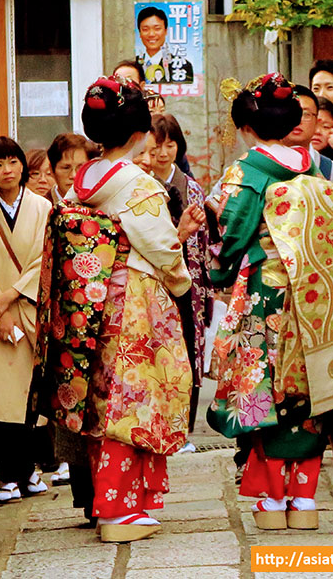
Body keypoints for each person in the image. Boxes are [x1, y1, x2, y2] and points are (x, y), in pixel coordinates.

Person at [209, 73, 333, 530]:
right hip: (318, 297)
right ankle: (304, 498)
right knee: (312, 390)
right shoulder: (311, 167)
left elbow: (235, 232)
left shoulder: (252, 170)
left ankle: (272, 498)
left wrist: (218, 272)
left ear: (247, 128)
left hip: (269, 295)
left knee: (267, 390)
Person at [40, 75, 193, 542]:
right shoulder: (134, 182)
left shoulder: (83, 177)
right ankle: (116, 509)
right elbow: (163, 248)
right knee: (131, 403)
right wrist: (180, 278)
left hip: (90, 304)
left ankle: (124, 502)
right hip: (132, 303)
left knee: (102, 400)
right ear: (137, 133)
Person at [0, 137, 51, 503]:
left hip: (29, 309)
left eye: (12, 162)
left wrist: (12, 294)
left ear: (22, 165)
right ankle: (6, 477)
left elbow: (44, 260)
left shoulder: (44, 208)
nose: (7, 171)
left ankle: (29, 470)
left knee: (31, 396)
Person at [147, 113, 214, 439]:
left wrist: (208, 290)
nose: (162, 153)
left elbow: (203, 243)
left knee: (189, 349)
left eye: (170, 145)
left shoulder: (192, 188)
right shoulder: (141, 184)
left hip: (190, 281)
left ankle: (185, 427)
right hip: (154, 278)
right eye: (157, 146)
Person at [283, 85, 333, 194]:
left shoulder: (332, 170)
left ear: (316, 120)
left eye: (306, 114)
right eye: (291, 112)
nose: (298, 120)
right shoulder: (261, 163)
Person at [136, 6, 194, 85]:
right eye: (145, 29)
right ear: (140, 33)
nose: (151, 34)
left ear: (166, 31)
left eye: (157, 28)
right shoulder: (134, 65)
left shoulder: (182, 65)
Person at [47, 133, 100, 203]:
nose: (74, 175)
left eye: (81, 167)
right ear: (51, 170)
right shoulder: (42, 209)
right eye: (66, 168)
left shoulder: (100, 204)